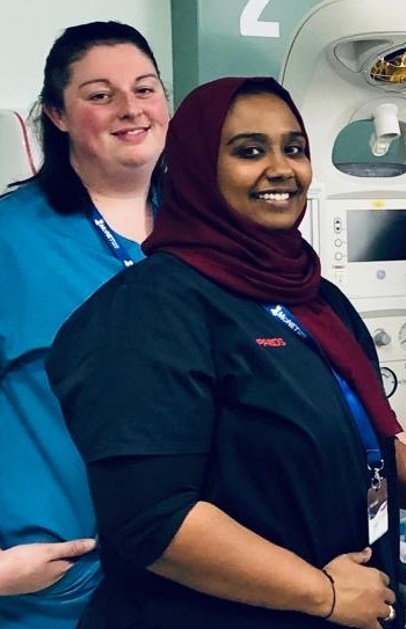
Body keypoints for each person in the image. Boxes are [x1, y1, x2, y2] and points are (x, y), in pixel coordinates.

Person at [45, 76, 406, 629]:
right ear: (195, 169)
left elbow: (365, 445)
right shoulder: (150, 310)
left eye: (294, 148)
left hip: (346, 601)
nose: (282, 168)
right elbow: (155, 520)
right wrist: (322, 594)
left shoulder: (312, 295)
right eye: (249, 151)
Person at [0, 21, 167, 629]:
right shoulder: (12, 241)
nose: (131, 109)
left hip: (186, 576)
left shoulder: (204, 238)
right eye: (100, 95)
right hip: (56, 590)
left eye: (146, 89)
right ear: (58, 114)